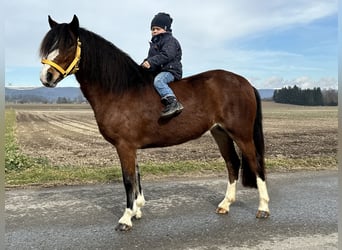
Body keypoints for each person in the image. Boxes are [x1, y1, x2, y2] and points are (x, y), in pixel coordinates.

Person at [142, 12, 183, 119]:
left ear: (166, 29)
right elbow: (151, 58)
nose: (154, 31)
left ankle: (173, 103)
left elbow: (167, 55)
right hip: (161, 69)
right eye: (152, 29)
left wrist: (151, 62)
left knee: (159, 81)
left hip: (171, 70)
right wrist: (143, 64)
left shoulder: (170, 40)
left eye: (157, 28)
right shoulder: (155, 44)